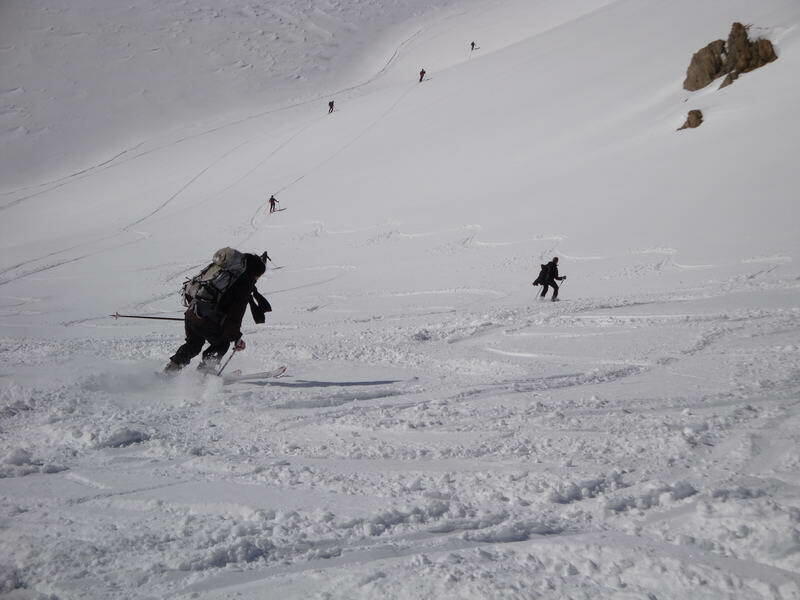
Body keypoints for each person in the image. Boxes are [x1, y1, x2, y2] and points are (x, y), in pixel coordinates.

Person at [165, 253, 270, 373]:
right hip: (207, 320)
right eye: (258, 276)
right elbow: (234, 317)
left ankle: (170, 371)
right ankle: (204, 373)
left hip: (192, 313)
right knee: (222, 344)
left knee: (193, 345)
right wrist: (236, 337)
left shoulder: (224, 273)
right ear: (254, 273)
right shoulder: (243, 285)